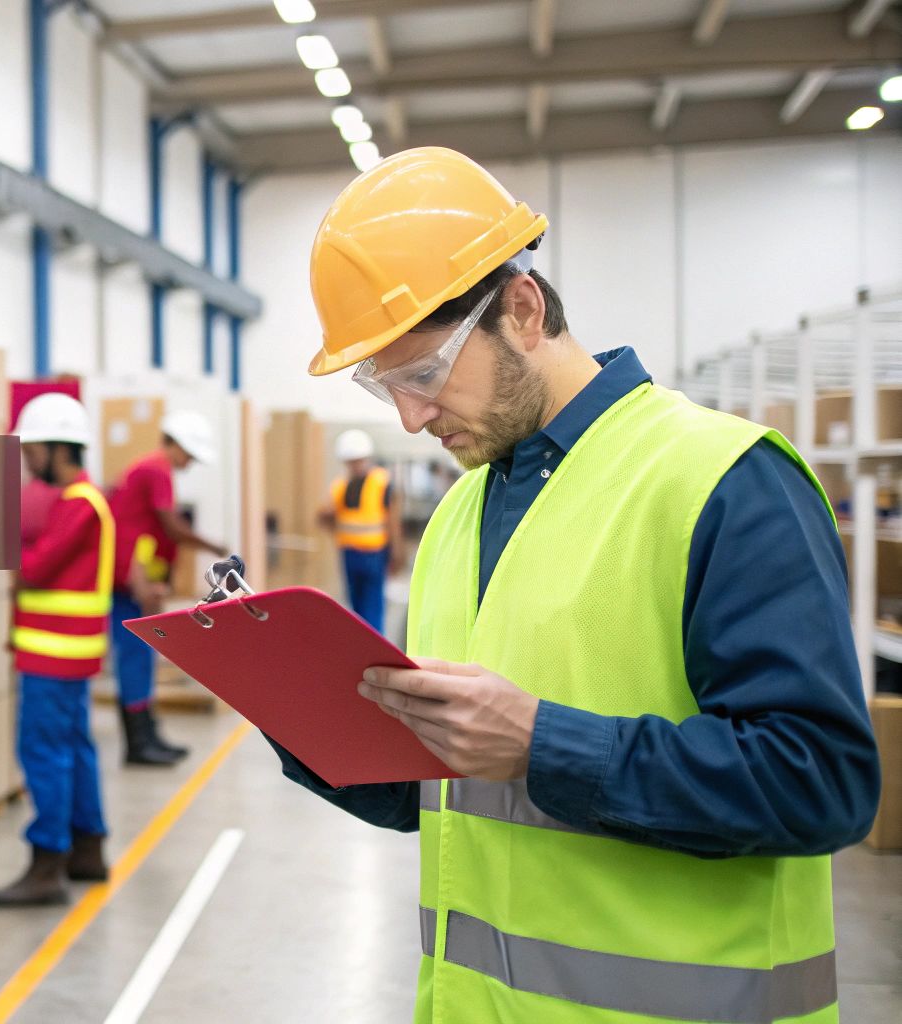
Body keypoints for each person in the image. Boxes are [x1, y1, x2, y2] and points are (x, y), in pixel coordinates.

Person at [276, 147, 880, 1022]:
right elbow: (446, 794)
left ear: (521, 310)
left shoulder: (721, 479)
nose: (409, 417)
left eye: (423, 375)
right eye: (383, 387)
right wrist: (303, 721)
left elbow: (822, 782)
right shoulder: (458, 517)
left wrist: (543, 744)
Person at [0, 393, 115, 908]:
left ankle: (47, 866)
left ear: (57, 449)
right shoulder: (82, 503)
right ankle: (87, 852)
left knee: (44, 754)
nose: (27, 461)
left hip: (55, 657)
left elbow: (33, 570)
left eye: (31, 451)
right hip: (62, 652)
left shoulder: (78, 506)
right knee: (75, 750)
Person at [106, 411, 226, 766]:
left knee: (142, 656)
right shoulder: (156, 468)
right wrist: (212, 546)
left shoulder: (153, 469)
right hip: (129, 580)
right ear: (176, 444)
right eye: (189, 454)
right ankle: (138, 743)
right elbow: (170, 526)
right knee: (134, 657)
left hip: (137, 576)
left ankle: (148, 735)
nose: (189, 463)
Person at [317, 428, 403, 634]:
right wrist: (326, 516)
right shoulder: (340, 485)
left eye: (359, 460)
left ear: (367, 458)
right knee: (356, 607)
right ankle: (362, 645)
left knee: (373, 606)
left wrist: (397, 551)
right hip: (349, 553)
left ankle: (375, 647)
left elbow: (392, 519)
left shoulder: (381, 482)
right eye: (351, 461)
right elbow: (327, 517)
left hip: (374, 553)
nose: (355, 465)